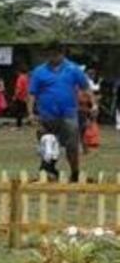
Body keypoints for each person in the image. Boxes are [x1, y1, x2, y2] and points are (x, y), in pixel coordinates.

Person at [28, 43, 90, 183]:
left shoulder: (73, 69)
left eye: (56, 54)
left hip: (69, 114)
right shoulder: (39, 71)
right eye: (50, 54)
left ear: (62, 54)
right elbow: (32, 94)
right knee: (48, 143)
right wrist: (31, 113)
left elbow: (85, 87)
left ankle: (75, 172)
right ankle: (49, 170)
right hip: (47, 115)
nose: (53, 57)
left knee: (72, 146)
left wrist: (93, 104)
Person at [12, 64, 30, 128]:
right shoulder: (27, 78)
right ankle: (21, 124)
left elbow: (19, 88)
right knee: (22, 111)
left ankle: (18, 125)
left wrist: (15, 96)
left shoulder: (20, 78)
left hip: (20, 97)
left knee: (18, 111)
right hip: (25, 96)